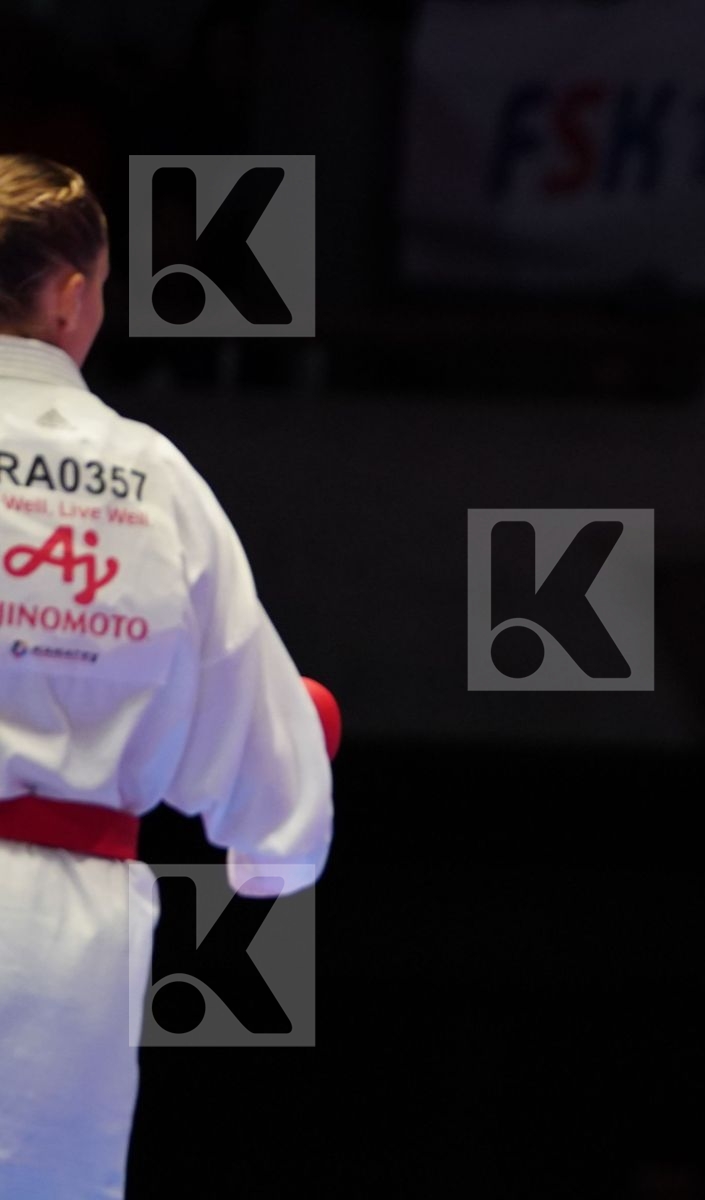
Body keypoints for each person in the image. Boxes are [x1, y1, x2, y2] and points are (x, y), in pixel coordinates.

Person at [0, 153, 332, 1197]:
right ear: (69, 294)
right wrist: (277, 845)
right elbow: (268, 752)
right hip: (65, 941)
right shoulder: (152, 478)